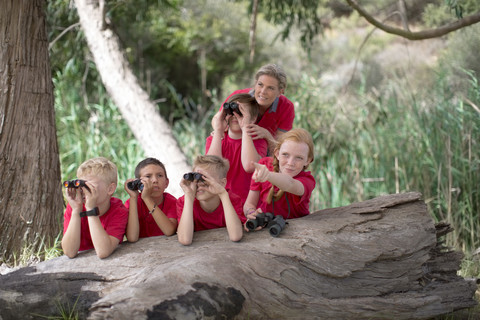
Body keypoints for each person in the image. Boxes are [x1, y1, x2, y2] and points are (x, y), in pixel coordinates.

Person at [243, 128, 316, 226]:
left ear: (308, 160)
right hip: (267, 226)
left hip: (298, 229)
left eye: (299, 158)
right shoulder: (265, 165)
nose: (290, 163)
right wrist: (251, 213)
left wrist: (268, 175)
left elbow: (289, 184)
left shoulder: (308, 180)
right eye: (285, 155)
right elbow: (249, 204)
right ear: (277, 153)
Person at [206, 93, 268, 203]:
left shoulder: (259, 141)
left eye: (241, 112)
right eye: (232, 111)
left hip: (248, 206)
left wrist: (245, 128)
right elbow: (211, 169)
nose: (235, 115)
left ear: (253, 119)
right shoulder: (214, 139)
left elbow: (250, 166)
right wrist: (219, 129)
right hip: (221, 204)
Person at [62, 157, 128, 259]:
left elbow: (103, 252)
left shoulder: (119, 211)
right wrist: (76, 211)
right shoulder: (76, 207)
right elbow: (69, 252)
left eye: (89, 186)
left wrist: (90, 209)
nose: (83, 191)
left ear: (110, 189)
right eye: (81, 186)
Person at [176, 155, 247, 245]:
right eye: (196, 178)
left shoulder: (232, 200)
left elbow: (236, 236)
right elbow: (185, 240)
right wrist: (189, 197)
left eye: (205, 179)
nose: (199, 184)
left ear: (222, 183)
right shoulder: (184, 201)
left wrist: (223, 194)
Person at [219, 64, 295, 148]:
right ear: (255, 84)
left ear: (280, 92)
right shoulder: (238, 96)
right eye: (260, 84)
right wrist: (220, 129)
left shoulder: (287, 107)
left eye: (270, 88)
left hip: (263, 152)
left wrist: (267, 135)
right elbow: (216, 118)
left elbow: (280, 146)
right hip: (232, 146)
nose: (263, 91)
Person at [124, 158, 177, 242]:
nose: (155, 180)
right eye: (148, 176)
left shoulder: (171, 202)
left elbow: (169, 230)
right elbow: (132, 237)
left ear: (166, 183)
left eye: (159, 175)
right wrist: (133, 198)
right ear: (138, 183)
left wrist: (147, 198)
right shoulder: (132, 203)